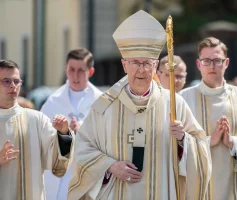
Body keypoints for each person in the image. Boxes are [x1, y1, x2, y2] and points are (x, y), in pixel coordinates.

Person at [68, 10, 211, 200]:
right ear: (124, 65)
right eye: (135, 62)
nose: (142, 69)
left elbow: (201, 152)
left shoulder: (173, 104)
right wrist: (110, 166)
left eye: (147, 63)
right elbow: (82, 148)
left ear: (155, 66)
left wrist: (183, 139)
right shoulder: (105, 106)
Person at [0, 59, 74, 200]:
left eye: (16, 81)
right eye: (6, 81)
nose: (13, 86)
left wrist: (63, 134)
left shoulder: (37, 120)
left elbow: (58, 165)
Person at [180, 37, 237, 200]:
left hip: (234, 189)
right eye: (206, 61)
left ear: (226, 63)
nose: (212, 65)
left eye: (217, 60)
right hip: (197, 189)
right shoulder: (183, 99)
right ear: (199, 64)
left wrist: (232, 143)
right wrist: (208, 142)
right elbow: (173, 146)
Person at [41, 48, 102, 200]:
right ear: (65, 69)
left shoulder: (102, 102)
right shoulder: (52, 101)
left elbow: (109, 139)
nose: (75, 75)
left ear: (91, 71)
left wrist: (84, 131)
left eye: (81, 70)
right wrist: (63, 133)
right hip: (58, 178)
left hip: (88, 175)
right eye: (71, 69)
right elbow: (41, 139)